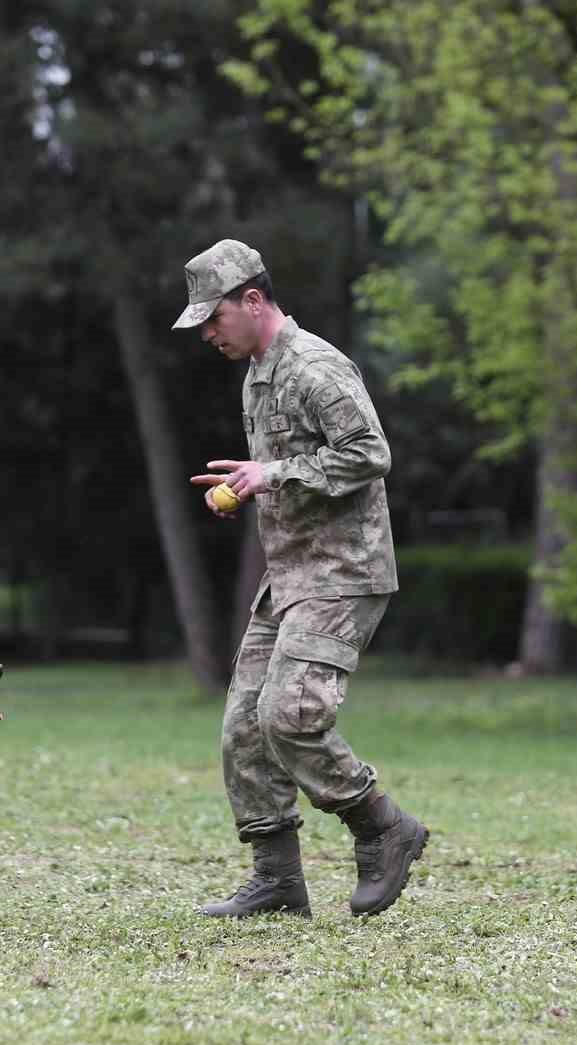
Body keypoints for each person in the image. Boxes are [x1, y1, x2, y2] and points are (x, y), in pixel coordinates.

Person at [174, 237, 429, 918]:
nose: (207, 333)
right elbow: (294, 468)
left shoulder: (316, 366)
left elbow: (371, 454)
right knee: (243, 727)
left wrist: (275, 473)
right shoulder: (258, 372)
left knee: (290, 714)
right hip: (289, 575)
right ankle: (278, 880)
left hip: (343, 574)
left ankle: (383, 826)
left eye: (214, 318)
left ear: (253, 299)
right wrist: (251, 482)